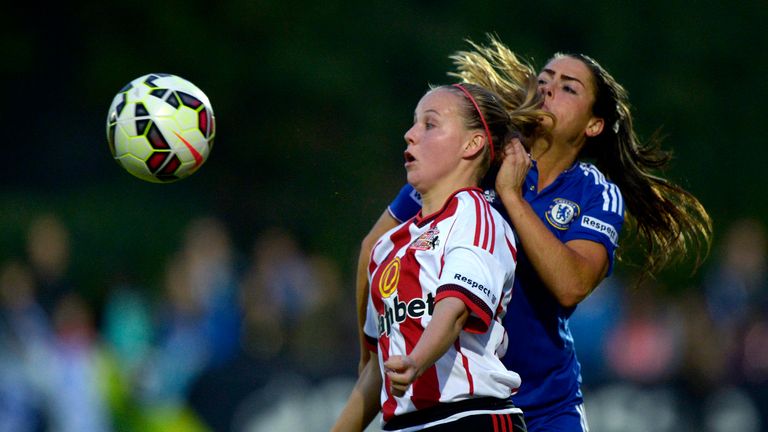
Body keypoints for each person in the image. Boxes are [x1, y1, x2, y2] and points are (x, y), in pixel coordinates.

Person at [354, 36, 713, 431]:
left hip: (546, 404)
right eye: (545, 79)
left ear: (594, 125)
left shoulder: (595, 193)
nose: (548, 89)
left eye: (568, 88)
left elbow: (570, 286)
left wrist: (511, 196)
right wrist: (369, 352)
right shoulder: (475, 158)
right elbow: (375, 247)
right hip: (469, 398)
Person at [334, 82, 542, 432]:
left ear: (472, 144)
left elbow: (455, 309)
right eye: (414, 123)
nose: (410, 134)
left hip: (468, 419)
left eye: (429, 124)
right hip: (401, 426)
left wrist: (416, 361)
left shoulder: (475, 216)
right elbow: (376, 371)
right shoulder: (387, 248)